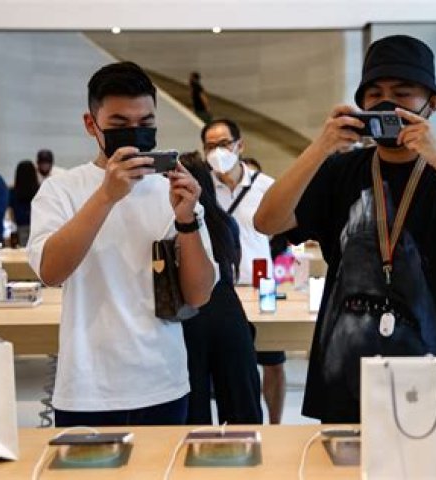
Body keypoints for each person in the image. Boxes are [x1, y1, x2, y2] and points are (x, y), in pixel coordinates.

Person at [254, 35, 436, 424]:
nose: (386, 103)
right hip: (345, 374)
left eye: (402, 92)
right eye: (374, 93)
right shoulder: (339, 172)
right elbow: (267, 221)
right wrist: (320, 147)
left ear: (432, 103)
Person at [27, 61, 217, 427]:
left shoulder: (173, 189)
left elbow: (198, 295)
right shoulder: (62, 189)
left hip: (164, 380)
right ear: (91, 124)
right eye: (119, 124)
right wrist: (106, 196)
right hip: (87, 386)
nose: (134, 132)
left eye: (146, 123)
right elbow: (51, 272)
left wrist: (187, 220)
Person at [201, 118, 286, 424]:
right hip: (219, 291)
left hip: (260, 287)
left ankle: (275, 426)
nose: (217, 151)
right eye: (210, 146)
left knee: (273, 361)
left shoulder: (266, 186)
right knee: (227, 368)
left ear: (240, 145)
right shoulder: (202, 188)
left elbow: (281, 233)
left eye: (224, 144)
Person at [178, 151, 262, 425]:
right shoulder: (225, 222)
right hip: (228, 314)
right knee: (241, 406)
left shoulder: (176, 223)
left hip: (187, 315)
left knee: (193, 408)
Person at [8, 160, 40, 247]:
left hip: (20, 226)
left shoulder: (13, 192)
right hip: (37, 226)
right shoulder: (40, 190)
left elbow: (11, 213)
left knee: (23, 250)